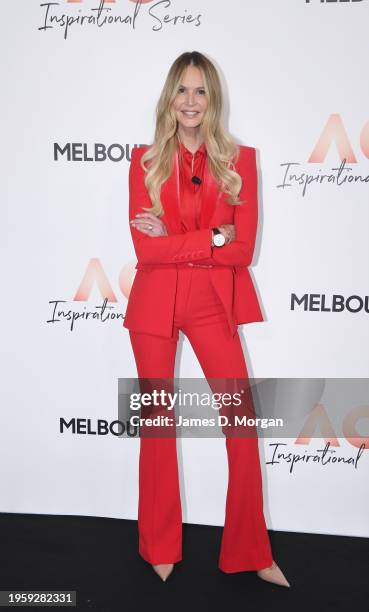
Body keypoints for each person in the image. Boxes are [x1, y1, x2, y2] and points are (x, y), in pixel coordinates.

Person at [123, 51, 290, 588]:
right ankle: (159, 545)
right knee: (158, 423)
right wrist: (213, 238)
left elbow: (242, 251)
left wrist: (181, 243)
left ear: (212, 99)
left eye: (201, 91)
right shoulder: (144, 160)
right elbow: (145, 256)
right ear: (169, 99)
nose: (191, 102)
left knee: (240, 424)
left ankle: (252, 551)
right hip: (153, 302)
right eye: (182, 90)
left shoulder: (239, 161)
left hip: (213, 302)